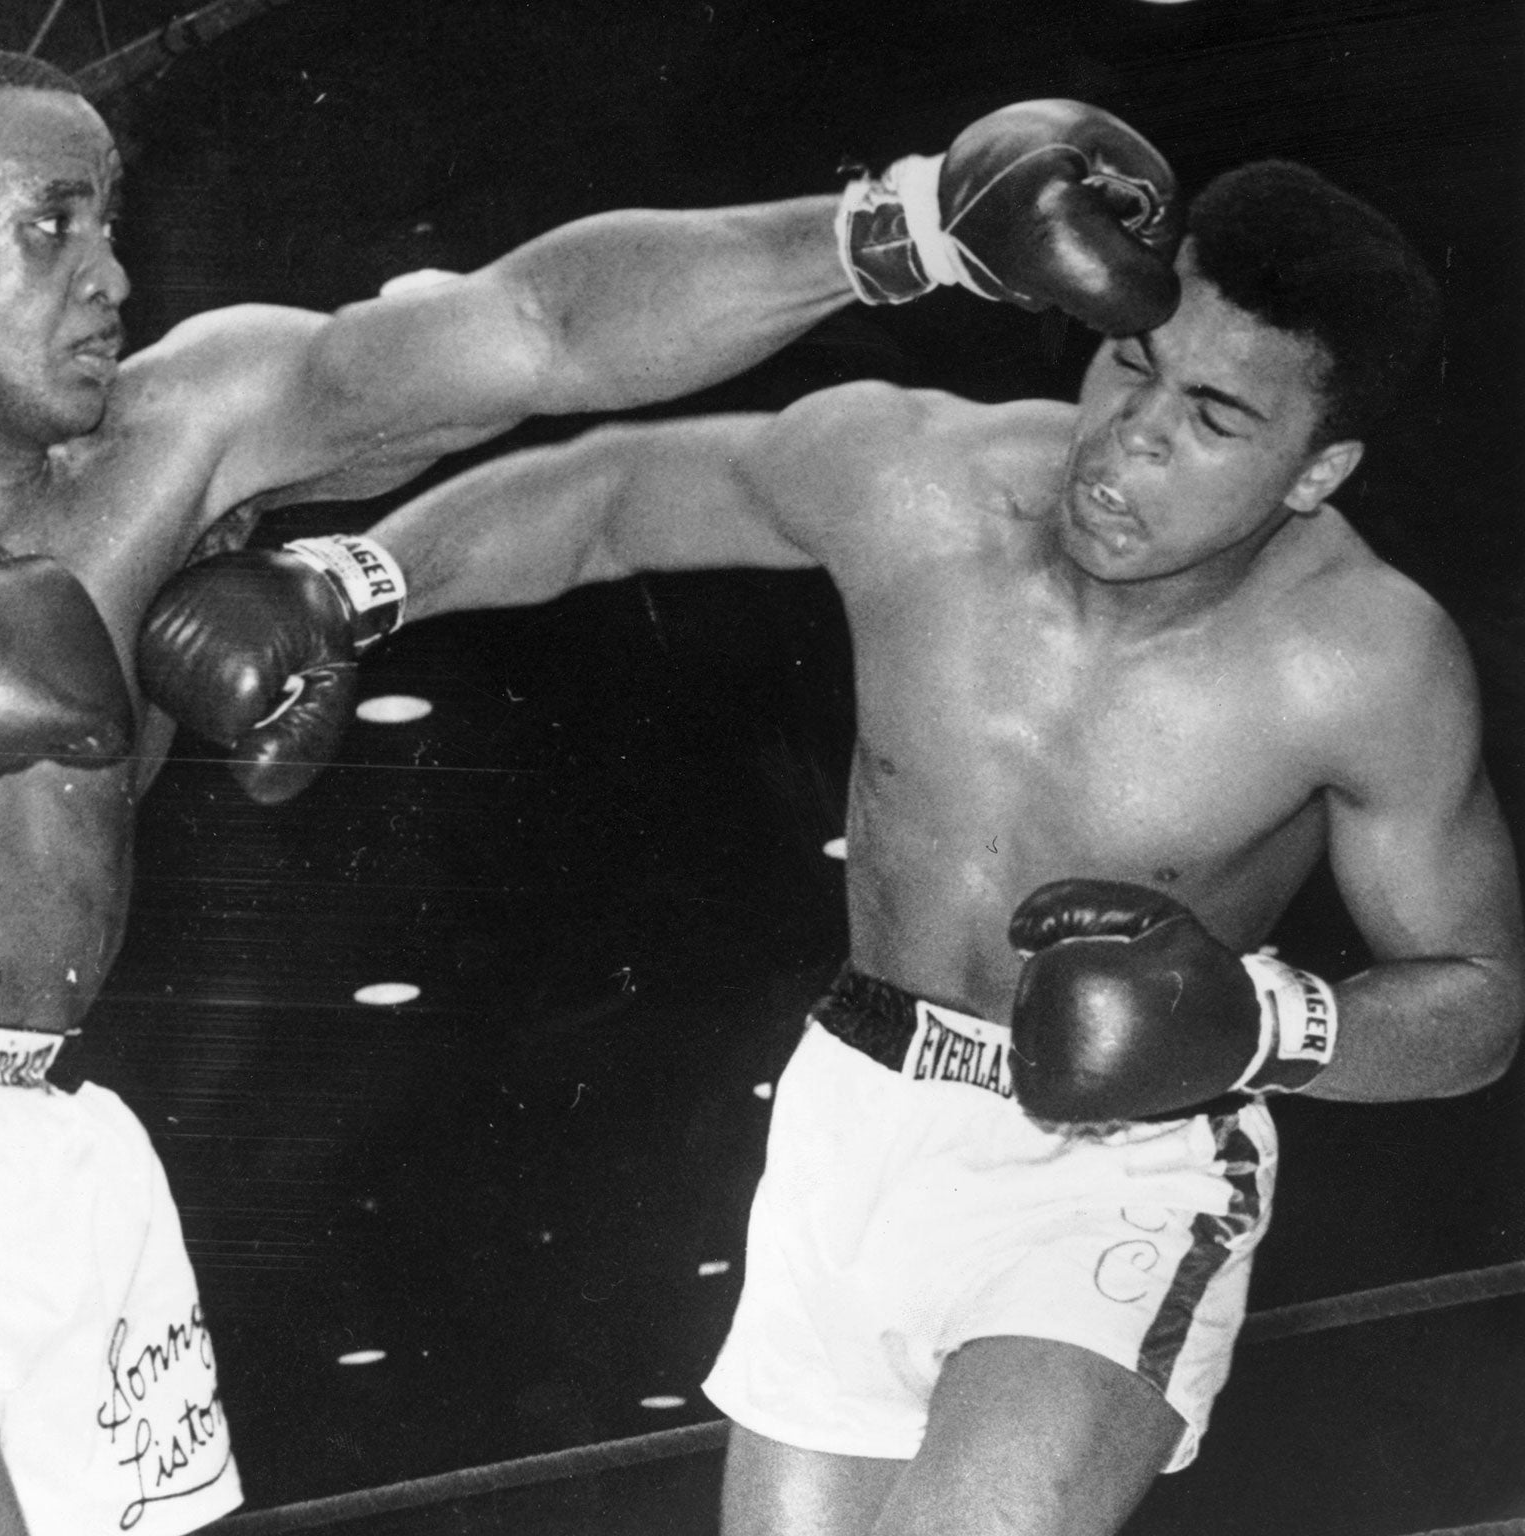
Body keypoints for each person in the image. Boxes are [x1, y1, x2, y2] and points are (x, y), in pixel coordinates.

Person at [0, 39, 1185, 1536]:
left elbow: (531, 328)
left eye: (112, 220)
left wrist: (896, 230)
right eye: (52, 227)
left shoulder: (181, 430)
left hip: (64, 1144)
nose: (110, 277)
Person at [140, 160, 1525, 1535]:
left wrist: (1260, 1027)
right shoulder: (927, 482)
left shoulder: (1363, 661)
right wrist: (347, 583)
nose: (1132, 436)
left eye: (1216, 415)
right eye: (1130, 364)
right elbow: (613, 497)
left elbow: (1478, 996)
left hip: (1121, 1166)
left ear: (1318, 466)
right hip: (857, 1108)